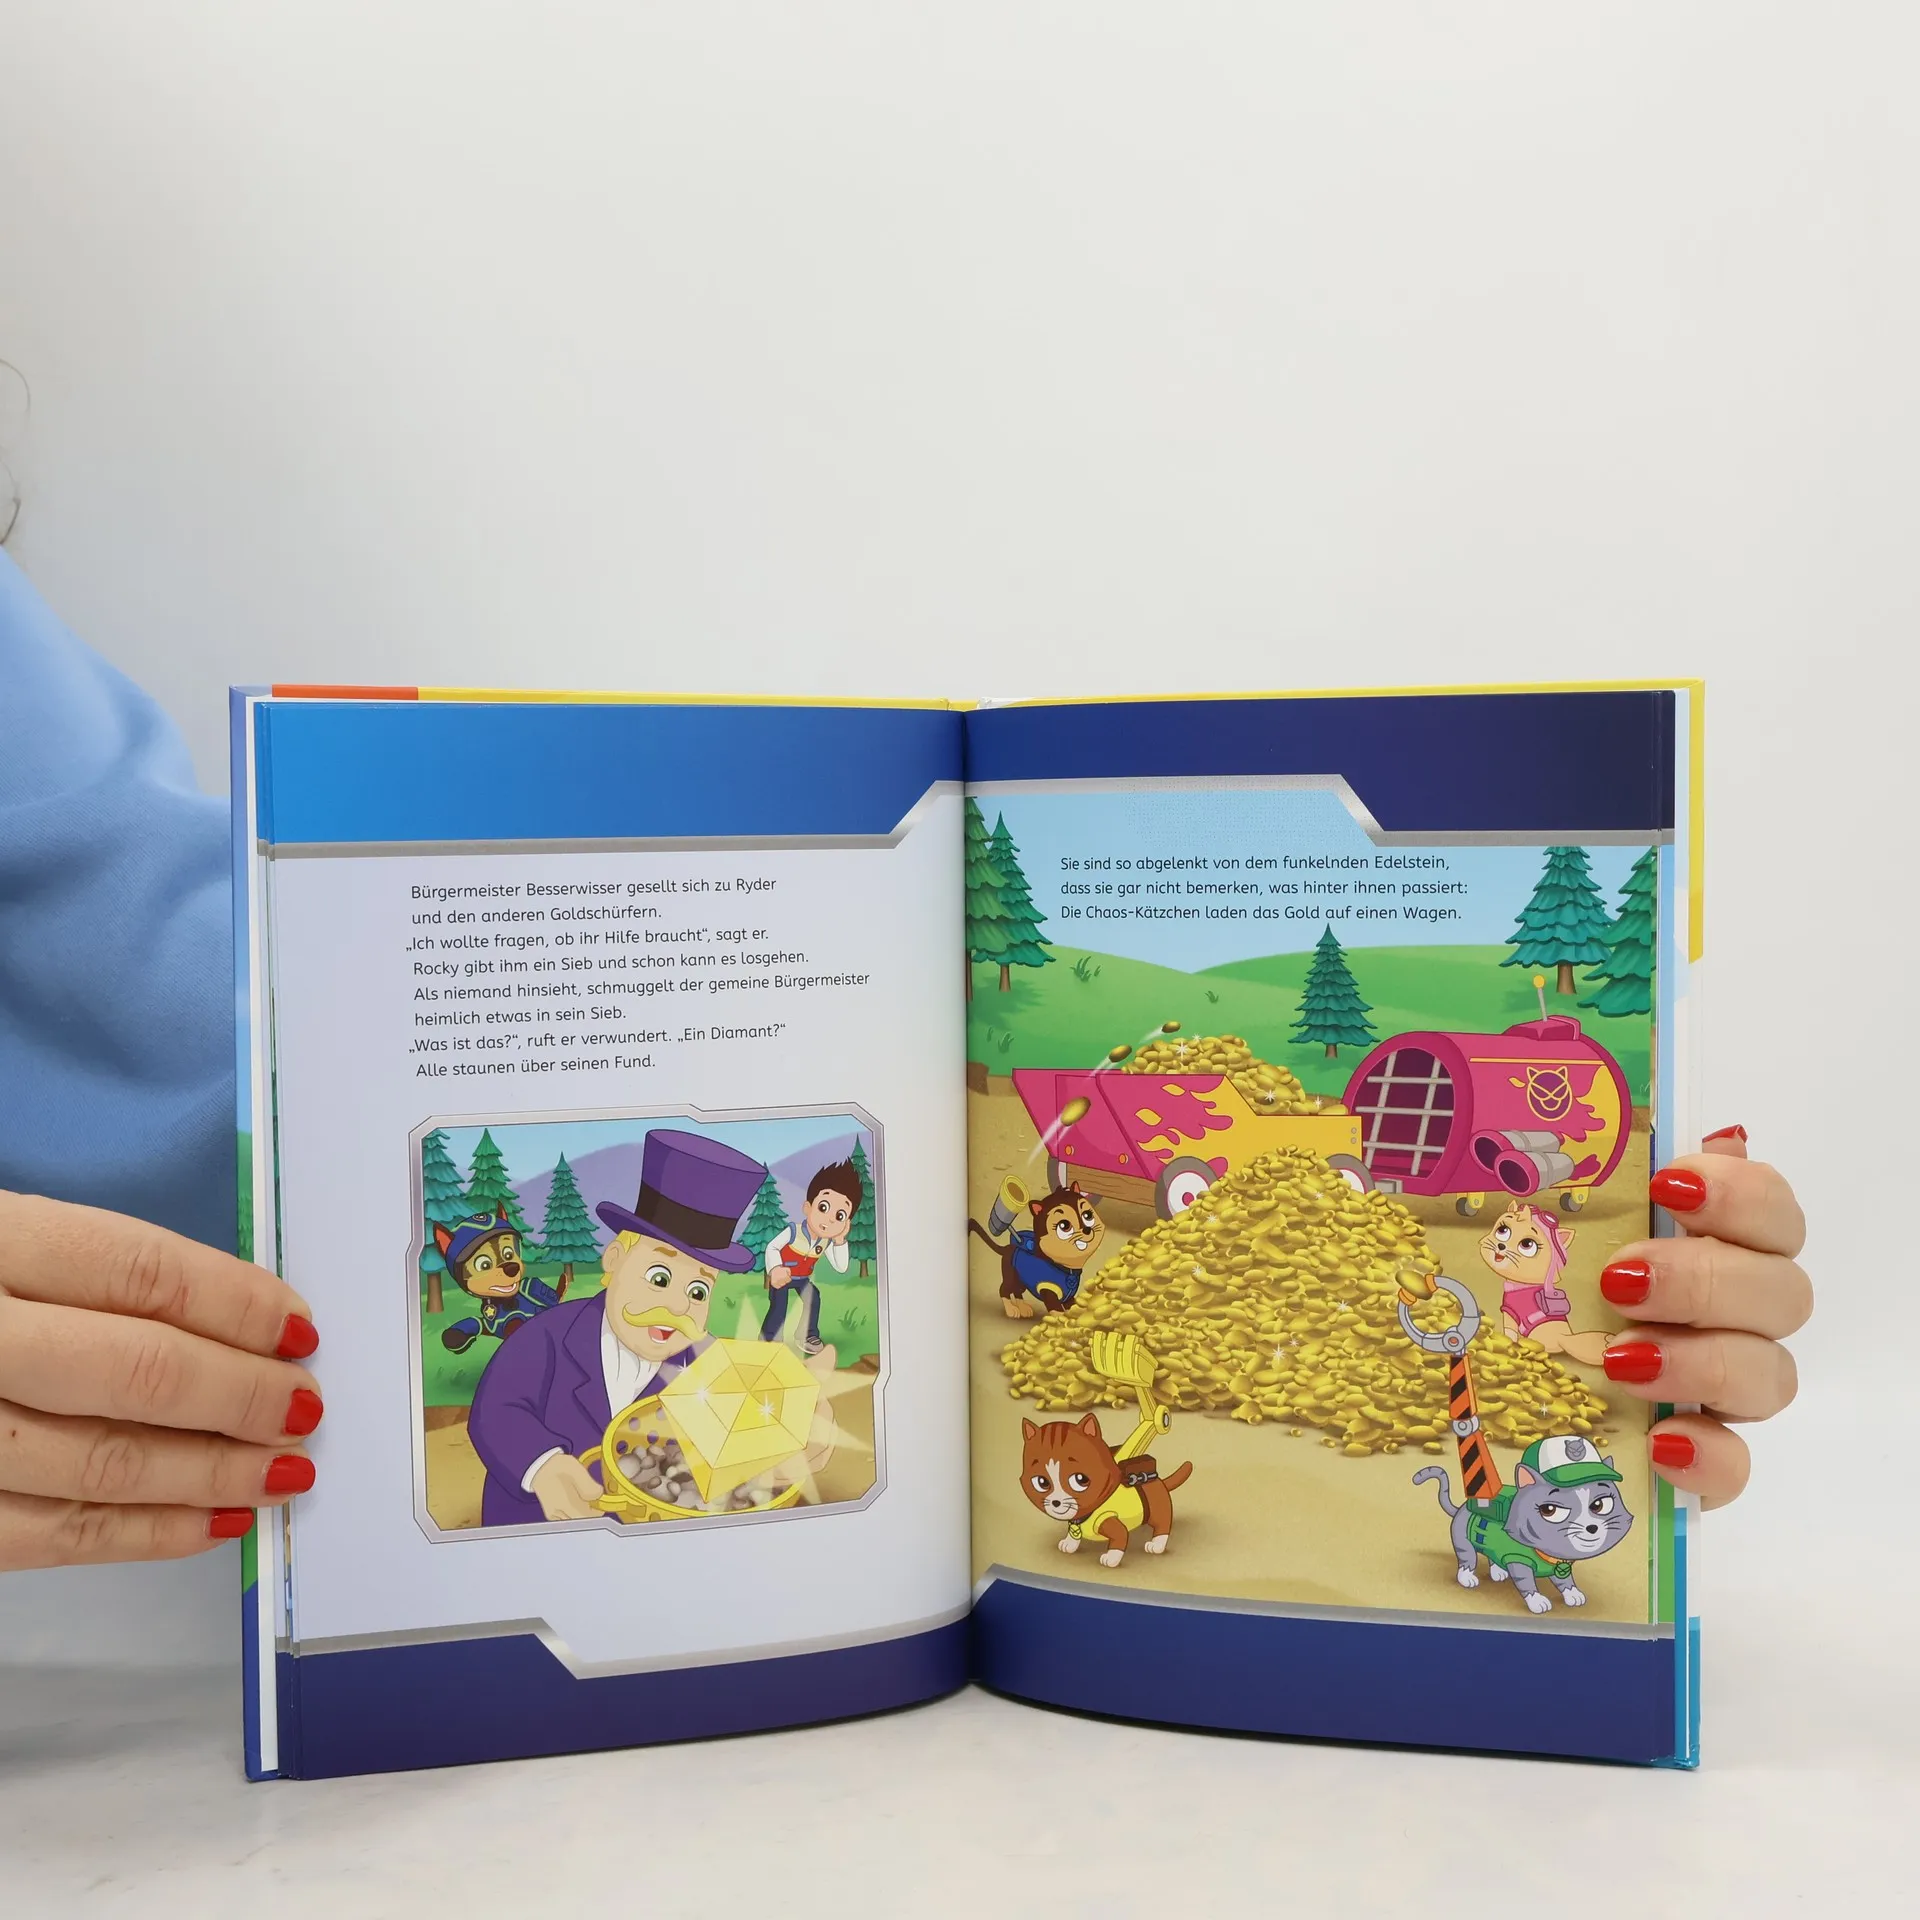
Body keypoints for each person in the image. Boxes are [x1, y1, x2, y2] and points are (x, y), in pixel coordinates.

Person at [0, 549, 1811, 1571]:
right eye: (668, 1276)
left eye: (693, 1279)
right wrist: (545, 1471)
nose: (682, 1299)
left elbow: (199, 1001)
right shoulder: (555, 1348)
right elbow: (509, 1417)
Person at [465, 1129, 767, 1525]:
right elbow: (496, 1412)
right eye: (659, 1277)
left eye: (698, 1291)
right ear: (614, 1259)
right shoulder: (547, 1337)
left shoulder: (704, 1361)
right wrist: (543, 1467)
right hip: (537, 1531)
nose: (678, 1306)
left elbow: (747, 1417)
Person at [759, 1157, 863, 1359]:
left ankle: (807, 1335)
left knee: (813, 1297)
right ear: (808, 1207)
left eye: (840, 1216)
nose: (829, 1219)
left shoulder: (827, 1241)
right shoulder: (793, 1231)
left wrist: (840, 1240)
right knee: (779, 1307)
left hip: (802, 1279)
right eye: (823, 1207)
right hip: (783, 1277)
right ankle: (769, 1340)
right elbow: (772, 1247)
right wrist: (775, 1269)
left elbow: (841, 1267)